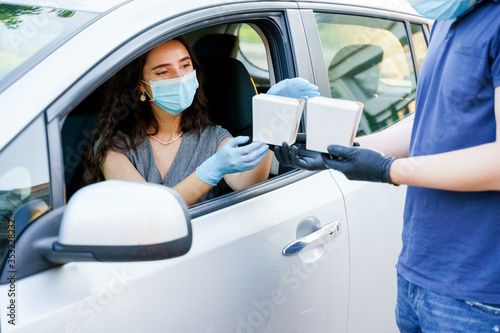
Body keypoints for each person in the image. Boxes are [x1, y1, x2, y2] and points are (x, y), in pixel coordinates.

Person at [275, 0, 500, 331]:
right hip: (417, 272)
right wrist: (341, 150)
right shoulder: (445, 20)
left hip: (475, 293)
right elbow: (432, 121)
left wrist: (386, 170)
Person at [82, 37, 319, 206]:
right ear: (141, 87)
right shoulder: (114, 148)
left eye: (185, 66)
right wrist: (210, 170)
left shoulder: (213, 136)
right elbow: (151, 213)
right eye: (163, 72)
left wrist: (273, 118)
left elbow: (247, 182)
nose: (180, 77)